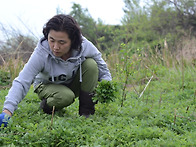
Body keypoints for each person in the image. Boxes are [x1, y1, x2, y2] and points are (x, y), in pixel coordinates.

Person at [0, 14, 112, 127]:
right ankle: (47, 106)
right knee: (65, 96)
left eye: (62, 42)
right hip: (46, 86)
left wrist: (106, 86)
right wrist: (7, 111)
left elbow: (102, 66)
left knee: (91, 64)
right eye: (52, 40)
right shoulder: (41, 53)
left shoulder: (84, 46)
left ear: (72, 41)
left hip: (71, 83)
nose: (55, 47)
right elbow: (22, 80)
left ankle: (86, 114)